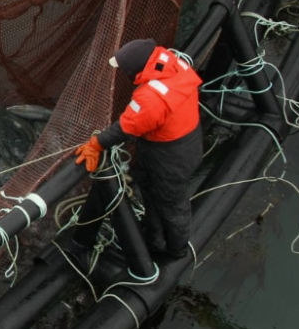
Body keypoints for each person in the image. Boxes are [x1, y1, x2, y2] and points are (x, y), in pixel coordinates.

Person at [73, 38, 203, 261]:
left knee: (172, 204)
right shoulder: (174, 63)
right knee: (151, 190)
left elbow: (126, 127)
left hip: (169, 157)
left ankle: (176, 251)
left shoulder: (150, 98)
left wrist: (96, 144)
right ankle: (154, 237)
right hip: (189, 142)